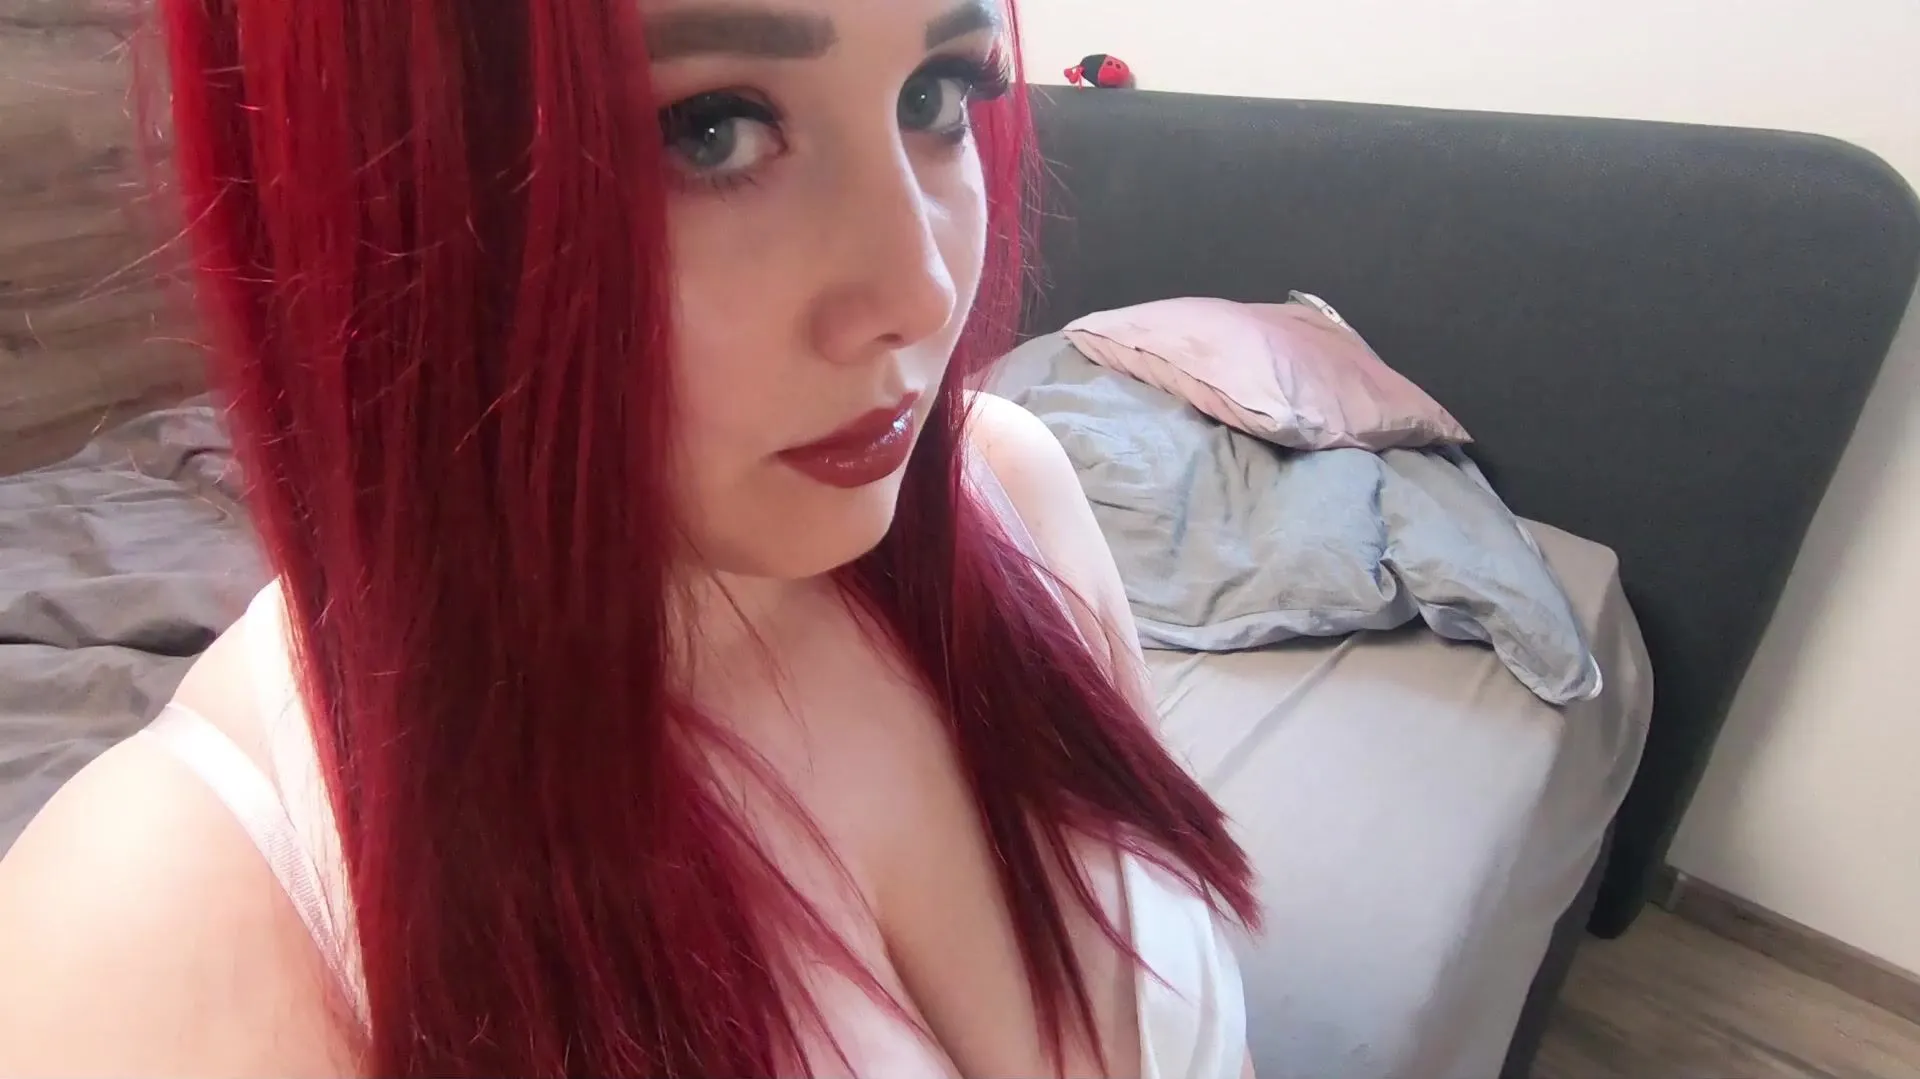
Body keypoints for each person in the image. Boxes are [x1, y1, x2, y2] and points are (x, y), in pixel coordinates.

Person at [0, 0, 1259, 1075]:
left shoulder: (1015, 495)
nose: (918, 291)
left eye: (936, 93)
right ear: (379, 180)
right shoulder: (147, 940)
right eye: (710, 129)